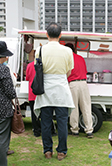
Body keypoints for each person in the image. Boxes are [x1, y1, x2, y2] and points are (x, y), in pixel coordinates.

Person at [33, 22, 75, 161]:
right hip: (61, 89)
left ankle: (47, 151)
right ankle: (62, 151)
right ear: (60, 35)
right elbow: (69, 71)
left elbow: (36, 69)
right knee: (62, 123)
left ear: (47, 34)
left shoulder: (40, 50)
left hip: (45, 90)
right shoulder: (67, 51)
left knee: (46, 123)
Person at [65, 43, 93, 138]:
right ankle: (89, 130)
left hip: (73, 84)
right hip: (83, 83)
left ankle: (75, 130)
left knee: (74, 108)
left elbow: (66, 73)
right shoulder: (80, 58)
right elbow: (85, 71)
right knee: (86, 107)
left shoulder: (67, 59)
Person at [26, 55, 57, 137]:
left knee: (34, 114)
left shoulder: (29, 65)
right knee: (45, 113)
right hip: (43, 92)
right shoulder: (46, 66)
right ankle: (50, 130)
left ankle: (36, 131)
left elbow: (28, 78)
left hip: (32, 92)